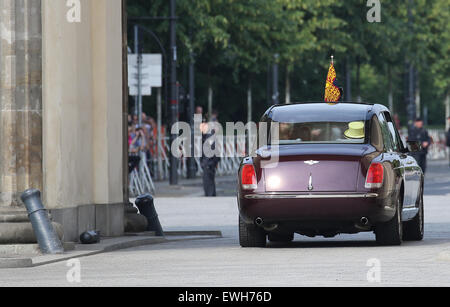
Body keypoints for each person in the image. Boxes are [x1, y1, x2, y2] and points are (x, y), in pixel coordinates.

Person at [200, 110, 220, 197]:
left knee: (208, 180)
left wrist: (207, 161)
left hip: (209, 160)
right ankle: (211, 194)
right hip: (211, 160)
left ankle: (210, 195)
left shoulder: (210, 131)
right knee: (210, 179)